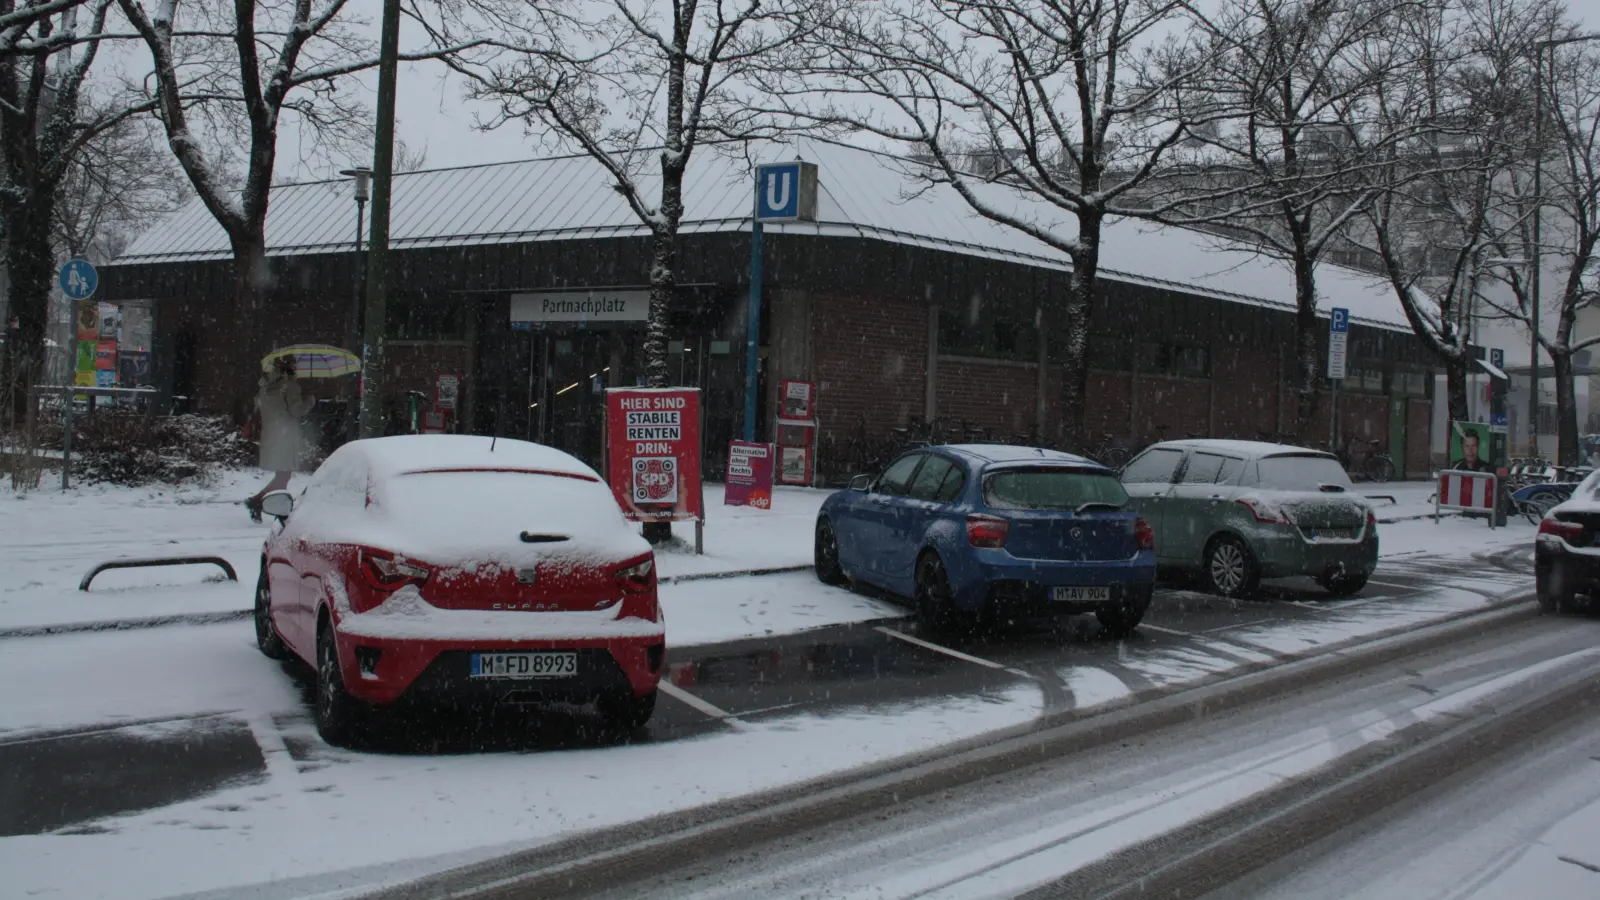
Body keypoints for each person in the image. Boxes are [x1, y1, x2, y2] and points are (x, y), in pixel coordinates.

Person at [245, 356, 312, 521]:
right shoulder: (290, 385)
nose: (296, 366)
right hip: (286, 434)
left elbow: (260, 407)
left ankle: (259, 502)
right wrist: (310, 401)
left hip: (271, 433)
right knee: (284, 475)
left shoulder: (265, 385)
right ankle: (261, 503)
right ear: (288, 366)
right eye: (294, 363)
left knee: (282, 474)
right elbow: (297, 410)